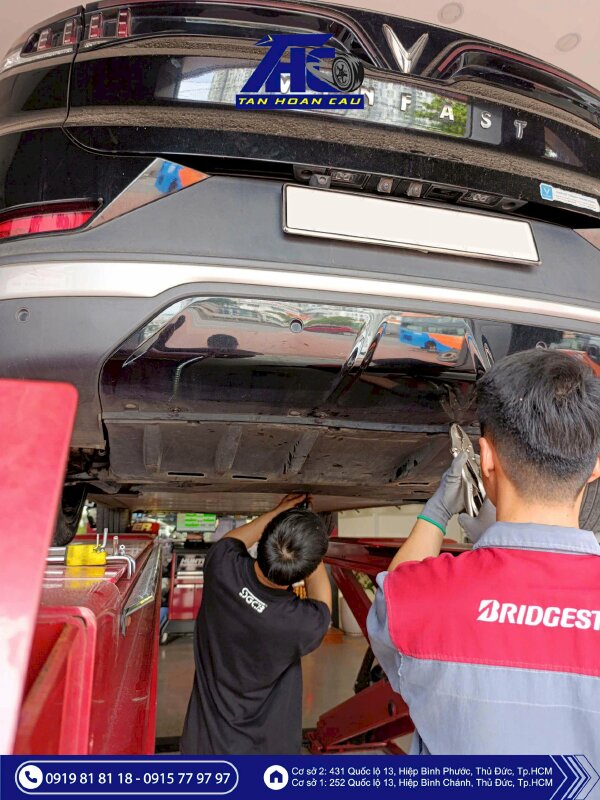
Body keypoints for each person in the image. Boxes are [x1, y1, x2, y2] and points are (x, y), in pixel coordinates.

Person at [367, 349, 600, 758]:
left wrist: (436, 514)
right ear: (595, 466)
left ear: (486, 459)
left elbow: (394, 597)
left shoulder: (419, 599)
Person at [181, 494, 332, 755]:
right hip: (267, 755)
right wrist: (309, 541)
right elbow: (321, 598)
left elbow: (238, 538)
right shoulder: (300, 623)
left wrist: (279, 514)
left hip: (204, 746)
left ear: (264, 540)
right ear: (305, 571)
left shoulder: (221, 565)